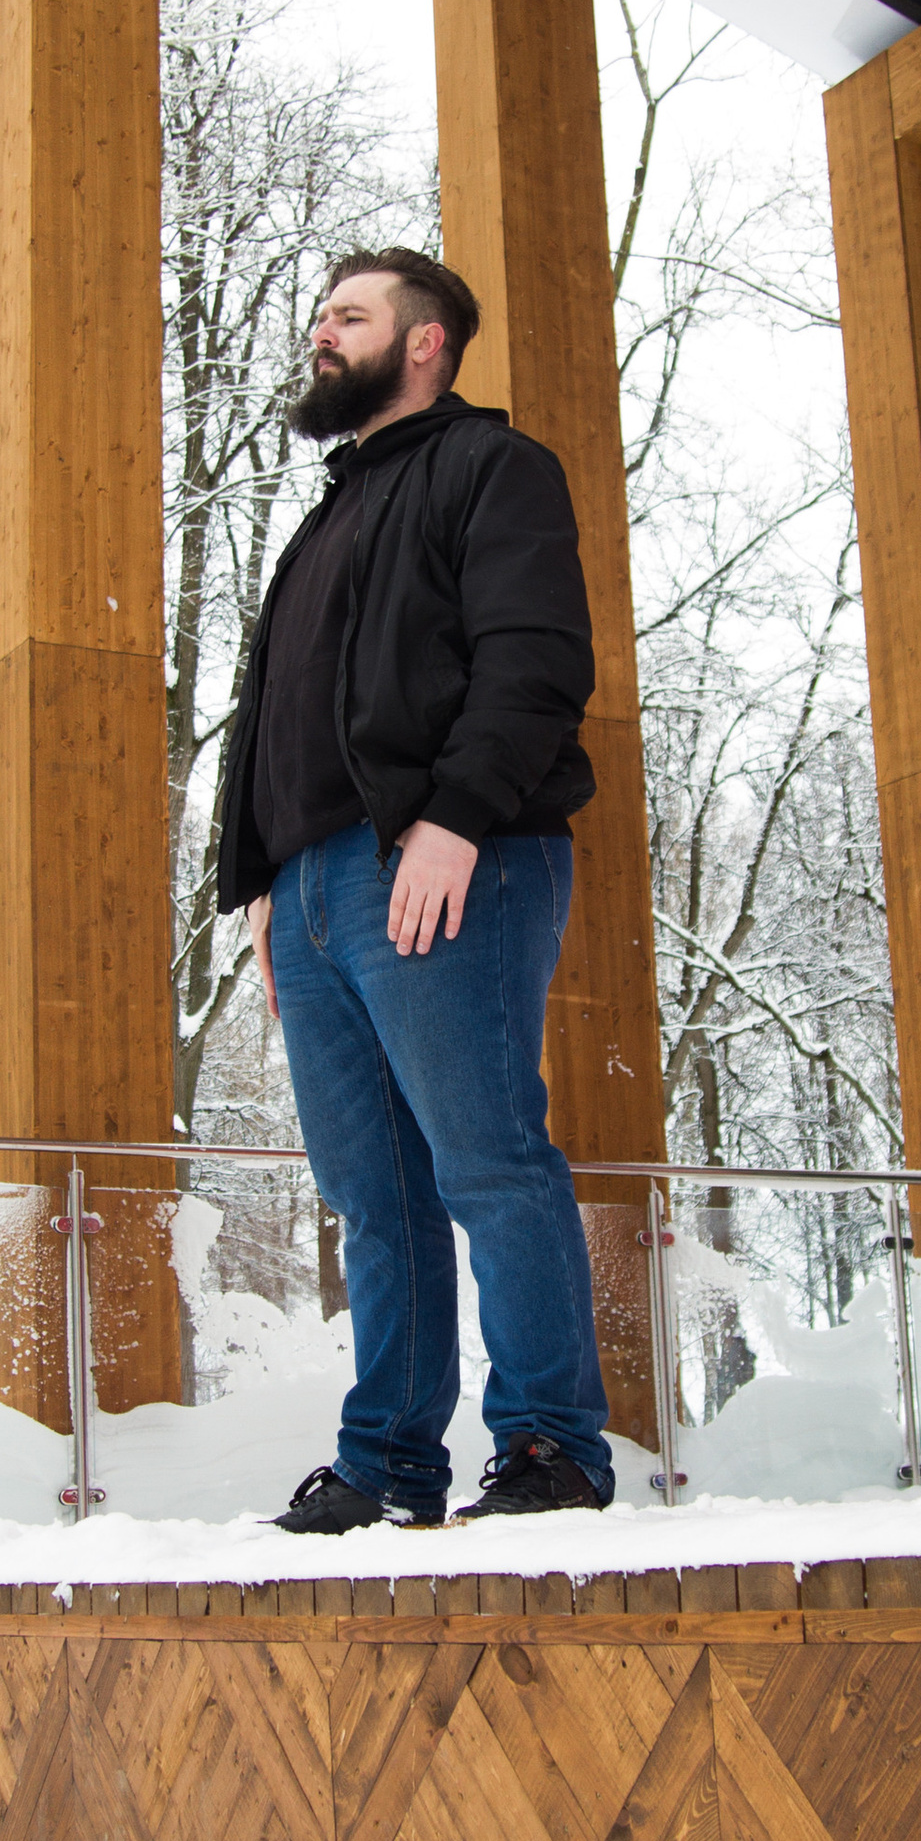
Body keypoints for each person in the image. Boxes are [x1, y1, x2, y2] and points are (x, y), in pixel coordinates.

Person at [214, 248, 614, 1533]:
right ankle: (388, 1459)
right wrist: (264, 883)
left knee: (487, 1161)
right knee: (369, 1198)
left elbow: (538, 661)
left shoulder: (494, 469)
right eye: (322, 318)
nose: (321, 336)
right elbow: (273, 721)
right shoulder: (324, 523)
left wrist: (452, 820)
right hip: (317, 892)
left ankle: (551, 1449)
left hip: (453, 859)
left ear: (425, 341)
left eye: (349, 317)